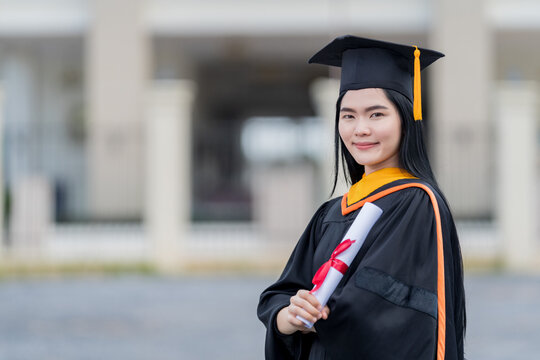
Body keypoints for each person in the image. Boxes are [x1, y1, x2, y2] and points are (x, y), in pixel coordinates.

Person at [257, 35, 466, 360]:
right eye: (348, 115)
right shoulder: (331, 212)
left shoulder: (416, 203)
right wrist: (288, 315)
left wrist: (318, 314)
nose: (360, 129)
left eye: (377, 114)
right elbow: (283, 292)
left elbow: (385, 306)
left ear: (406, 119)